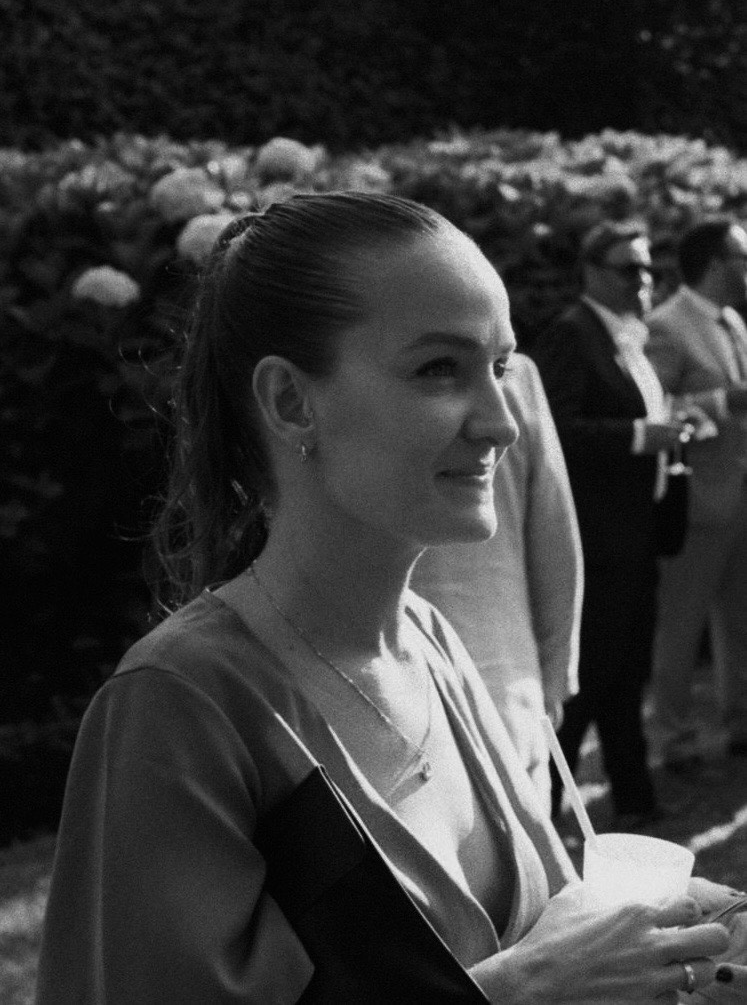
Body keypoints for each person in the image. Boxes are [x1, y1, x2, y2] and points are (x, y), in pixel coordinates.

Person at [37, 194, 741, 1003]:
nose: (502, 423)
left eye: (500, 367)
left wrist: (666, 948)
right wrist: (519, 991)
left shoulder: (431, 644)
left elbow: (549, 935)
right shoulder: (180, 704)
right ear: (290, 401)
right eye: (439, 368)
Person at [529, 220, 687, 830]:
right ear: (592, 272)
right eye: (629, 268)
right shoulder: (572, 334)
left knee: (626, 675)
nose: (643, 280)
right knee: (589, 678)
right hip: (596, 538)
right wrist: (642, 435)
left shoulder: (628, 336)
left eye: (649, 268)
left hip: (638, 531)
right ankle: (545, 814)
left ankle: (635, 799)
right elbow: (554, 432)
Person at [412, 352, 582, 813]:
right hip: (504, 689)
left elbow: (554, 536)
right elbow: (556, 542)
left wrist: (551, 677)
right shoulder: (515, 378)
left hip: (506, 690)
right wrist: (553, 673)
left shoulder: (518, 376)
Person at [645, 217, 747, 769]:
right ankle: (673, 740)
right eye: (743, 259)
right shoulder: (665, 325)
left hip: (742, 498)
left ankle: (740, 725)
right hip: (698, 505)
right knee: (680, 627)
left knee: (741, 622)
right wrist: (724, 402)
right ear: (715, 265)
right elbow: (652, 408)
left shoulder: (734, 321)